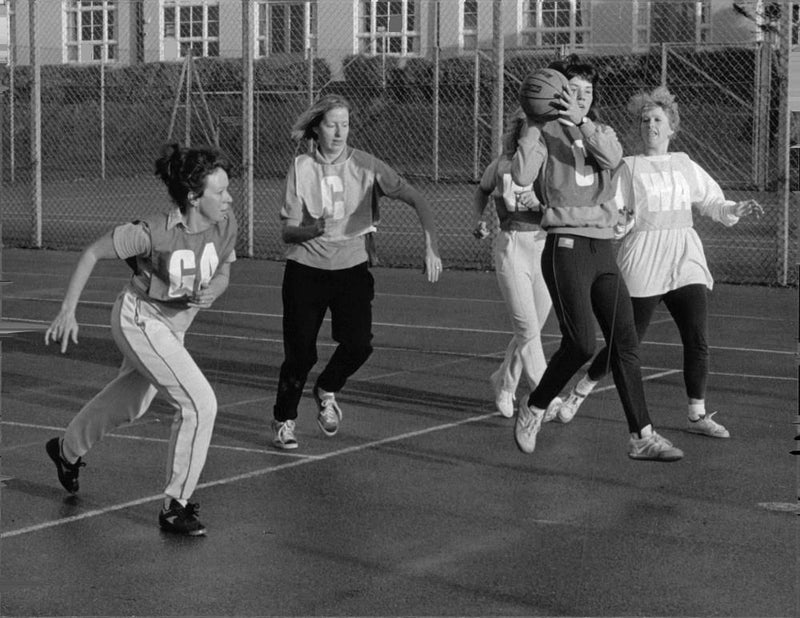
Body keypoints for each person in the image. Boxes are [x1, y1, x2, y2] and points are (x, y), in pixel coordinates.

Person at [44, 143, 237, 537]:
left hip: (172, 327)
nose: (229, 197)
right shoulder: (153, 232)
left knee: (133, 401)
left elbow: (223, 274)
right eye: (220, 191)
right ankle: (175, 506)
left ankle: (66, 450)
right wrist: (68, 309)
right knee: (200, 403)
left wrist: (213, 291)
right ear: (193, 197)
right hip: (139, 319)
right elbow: (92, 253)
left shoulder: (225, 224)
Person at [554, 86, 763, 435]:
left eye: (657, 119)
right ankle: (580, 391)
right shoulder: (628, 167)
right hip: (643, 260)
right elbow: (614, 215)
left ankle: (697, 414)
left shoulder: (684, 164)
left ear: (671, 128)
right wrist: (620, 224)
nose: (650, 125)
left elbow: (711, 201)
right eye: (645, 120)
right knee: (625, 343)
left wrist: (733, 208)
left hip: (684, 258)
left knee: (697, 338)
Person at [511, 55, 683, 462]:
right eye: (573, 91)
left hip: (602, 248)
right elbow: (520, 176)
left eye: (588, 92)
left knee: (625, 342)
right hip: (567, 246)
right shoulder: (543, 130)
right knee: (580, 344)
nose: (582, 98)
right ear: (558, 93)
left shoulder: (599, 130)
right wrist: (531, 127)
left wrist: (582, 122)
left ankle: (642, 435)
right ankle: (534, 406)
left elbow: (611, 157)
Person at [271, 94, 442, 450]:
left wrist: (431, 245)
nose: (339, 132)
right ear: (317, 127)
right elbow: (287, 232)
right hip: (306, 269)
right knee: (300, 354)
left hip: (351, 269)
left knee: (359, 345)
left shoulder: (367, 166)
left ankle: (327, 388)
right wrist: (310, 231)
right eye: (332, 124)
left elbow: (418, 199)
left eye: (345, 124)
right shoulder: (301, 168)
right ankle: (285, 419)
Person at [472, 107, 552, 417]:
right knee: (526, 326)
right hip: (512, 245)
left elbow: (561, 205)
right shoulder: (502, 166)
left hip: (544, 246)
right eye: (526, 135)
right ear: (517, 137)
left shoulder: (550, 166)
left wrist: (542, 205)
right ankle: (546, 394)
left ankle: (504, 381)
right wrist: (478, 220)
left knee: (532, 328)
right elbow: (481, 190)